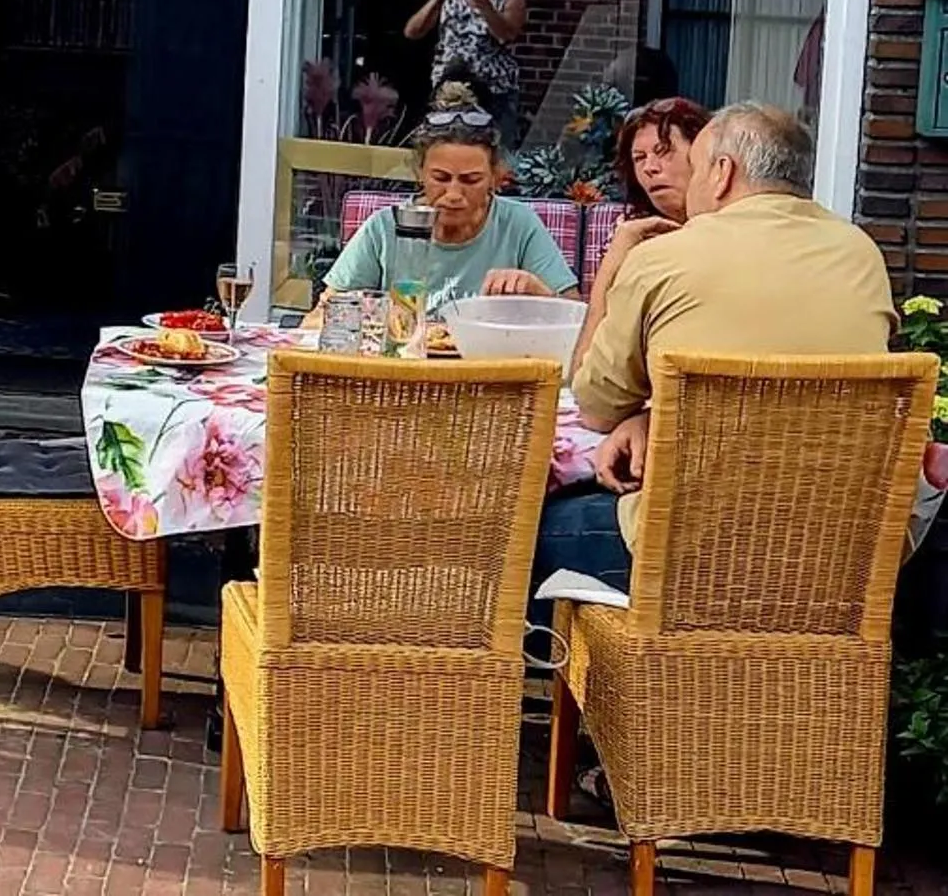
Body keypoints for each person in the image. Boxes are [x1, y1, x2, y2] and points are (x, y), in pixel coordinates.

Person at [542, 103, 897, 592]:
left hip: (685, 558)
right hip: (827, 562)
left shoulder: (662, 258)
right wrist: (652, 415)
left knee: (522, 535)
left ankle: (616, 666)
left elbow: (595, 408)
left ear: (723, 172)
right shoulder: (862, 255)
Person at [322, 87, 579, 310]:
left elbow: (575, 318)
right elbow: (322, 315)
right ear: (420, 173)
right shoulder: (384, 228)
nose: (454, 194)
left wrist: (540, 294)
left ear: (495, 178)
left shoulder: (518, 225)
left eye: (471, 180)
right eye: (441, 178)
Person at [568, 95, 710, 377]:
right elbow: (588, 366)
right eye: (639, 158)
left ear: (704, 155)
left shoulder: (733, 232)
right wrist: (615, 258)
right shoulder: (632, 234)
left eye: (664, 151)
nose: (650, 168)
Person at [404, 0, 530, 143]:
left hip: (494, 95)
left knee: (497, 159)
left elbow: (507, 33)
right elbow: (413, 32)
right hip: (451, 92)